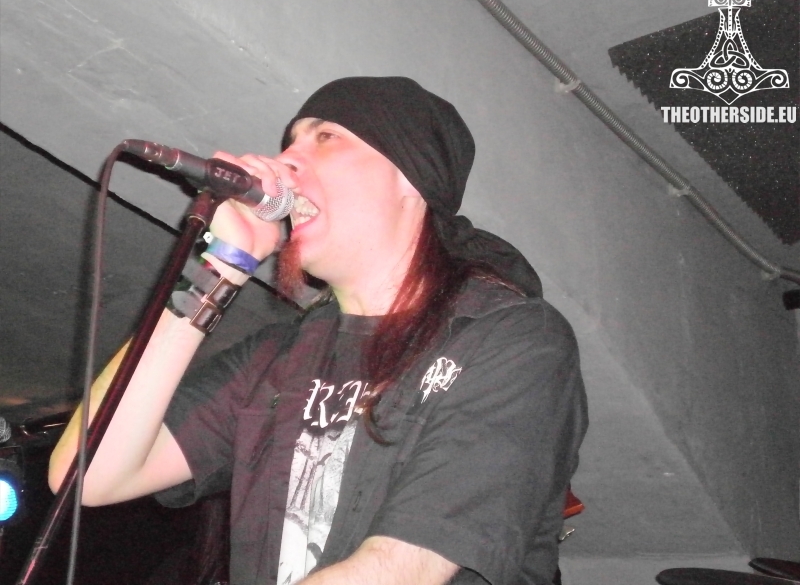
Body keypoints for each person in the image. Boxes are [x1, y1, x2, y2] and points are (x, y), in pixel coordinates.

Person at [49, 76, 588, 585]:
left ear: (412, 176)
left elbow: (403, 568)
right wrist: (221, 267)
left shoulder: (512, 339)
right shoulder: (276, 358)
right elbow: (87, 475)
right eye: (289, 141)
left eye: (326, 136)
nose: (286, 160)